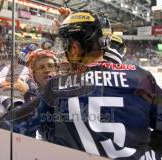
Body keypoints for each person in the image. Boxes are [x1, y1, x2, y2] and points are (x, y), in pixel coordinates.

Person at [36, 10, 162, 159]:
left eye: (66, 46)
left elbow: (45, 134)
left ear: (75, 49)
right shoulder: (141, 77)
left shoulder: (55, 87)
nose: (65, 52)